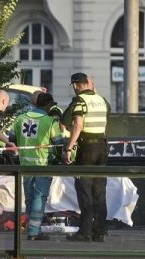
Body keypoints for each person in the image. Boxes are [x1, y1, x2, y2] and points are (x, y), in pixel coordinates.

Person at [64, 72, 110, 242]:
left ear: (76, 85)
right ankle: (100, 231)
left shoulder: (80, 101)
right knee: (99, 191)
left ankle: (85, 232)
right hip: (101, 147)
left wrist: (69, 148)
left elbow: (78, 125)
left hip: (87, 149)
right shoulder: (101, 100)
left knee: (85, 191)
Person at [11, 92, 64, 240]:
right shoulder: (50, 121)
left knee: (28, 198)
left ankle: (30, 228)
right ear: (48, 105)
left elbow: (11, 139)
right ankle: (34, 231)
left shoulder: (20, 118)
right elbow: (59, 143)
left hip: (24, 165)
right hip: (43, 164)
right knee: (39, 197)